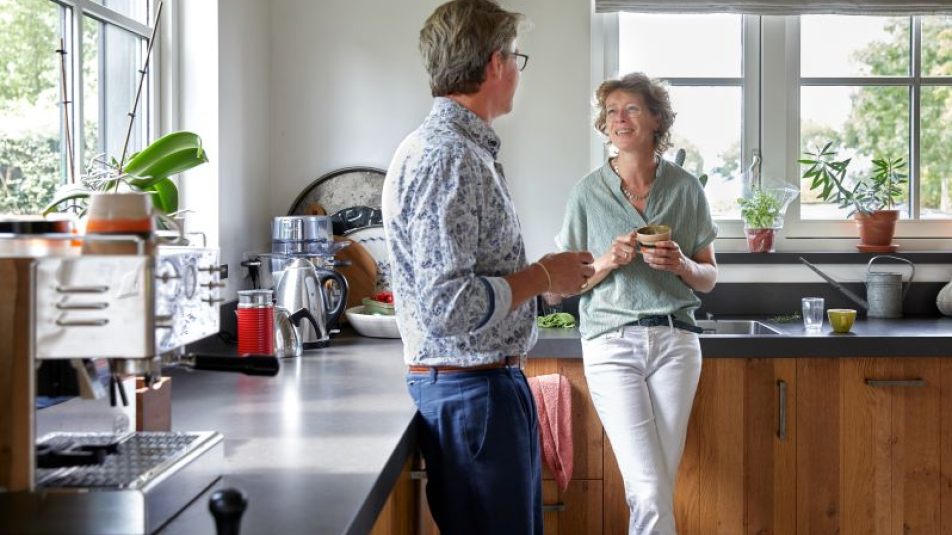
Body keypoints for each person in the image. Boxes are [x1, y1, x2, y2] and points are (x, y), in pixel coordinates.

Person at [381, 1, 595, 534]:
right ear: (496, 63)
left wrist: (544, 284)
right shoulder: (447, 156)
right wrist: (543, 276)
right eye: (518, 58)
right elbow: (447, 306)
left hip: (483, 391)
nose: (519, 72)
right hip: (473, 397)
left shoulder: (457, 151)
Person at [554, 72, 718, 534]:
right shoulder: (586, 194)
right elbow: (563, 287)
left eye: (630, 109)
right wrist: (608, 259)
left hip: (676, 343)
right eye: (610, 111)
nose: (618, 119)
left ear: (656, 119)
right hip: (612, 345)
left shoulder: (686, 189)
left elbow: (708, 278)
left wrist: (683, 264)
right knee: (648, 489)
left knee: (655, 485)